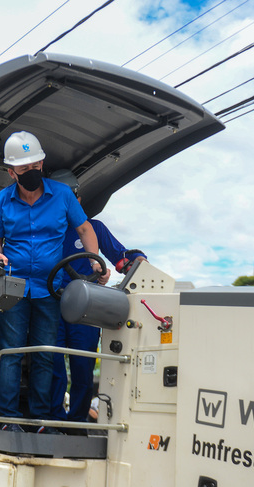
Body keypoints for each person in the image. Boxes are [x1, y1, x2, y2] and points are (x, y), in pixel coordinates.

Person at [0, 132, 101, 433]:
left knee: (45, 353)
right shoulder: (2, 200)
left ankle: (39, 421)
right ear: (12, 172)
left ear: (41, 162)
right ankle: (8, 419)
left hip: (51, 287)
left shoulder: (62, 194)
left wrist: (93, 259)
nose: (32, 173)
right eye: (24, 170)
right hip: (14, 285)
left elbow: (86, 228)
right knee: (11, 351)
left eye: (36, 166)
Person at [48, 170, 147, 424]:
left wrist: (135, 259)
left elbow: (121, 256)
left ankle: (78, 422)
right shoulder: (46, 232)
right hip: (51, 306)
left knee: (83, 368)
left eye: (71, 197)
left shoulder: (94, 229)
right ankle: (52, 421)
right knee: (52, 365)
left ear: (78, 201)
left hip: (86, 309)